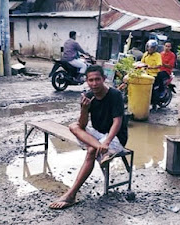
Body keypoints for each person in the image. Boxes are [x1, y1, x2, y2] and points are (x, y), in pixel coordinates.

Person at [49, 65, 128, 210]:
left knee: (91, 151)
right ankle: (102, 150)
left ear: (104, 79)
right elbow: (82, 124)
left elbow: (118, 122)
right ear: (86, 81)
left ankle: (71, 195)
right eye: (91, 80)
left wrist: (107, 142)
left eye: (97, 79)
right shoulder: (89, 96)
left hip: (115, 138)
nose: (94, 83)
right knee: (73, 126)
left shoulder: (115, 95)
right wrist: (84, 109)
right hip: (98, 136)